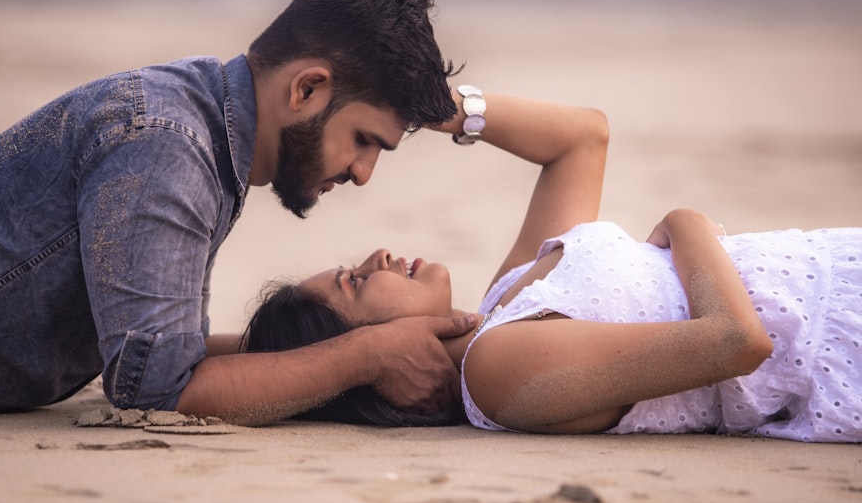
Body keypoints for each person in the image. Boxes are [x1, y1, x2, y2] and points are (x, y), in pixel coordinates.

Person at [0, 0, 478, 421]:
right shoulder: (168, 144)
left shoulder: (208, 133)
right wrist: (365, 356)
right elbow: (154, 387)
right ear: (306, 90)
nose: (364, 172)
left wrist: (358, 337)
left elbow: (162, 345)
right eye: (365, 139)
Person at [241, 88, 862, 442]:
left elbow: (580, 139)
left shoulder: (505, 301)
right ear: (380, 352)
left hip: (838, 267)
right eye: (355, 281)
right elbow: (736, 342)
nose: (375, 256)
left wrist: (422, 99)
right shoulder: (497, 371)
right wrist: (685, 222)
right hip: (840, 342)